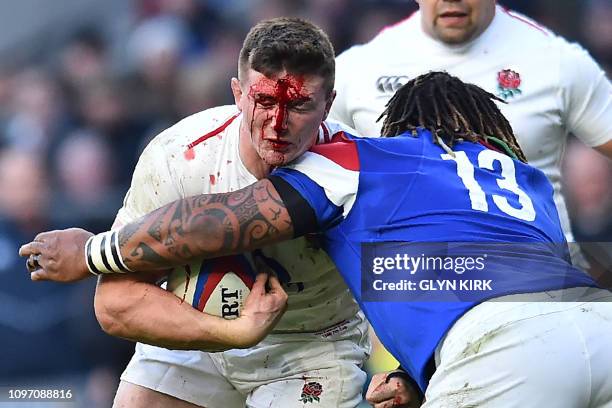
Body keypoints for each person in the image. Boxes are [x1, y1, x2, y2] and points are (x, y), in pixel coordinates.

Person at [22, 72, 612, 407]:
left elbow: (220, 219)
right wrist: (415, 378)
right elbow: (480, 283)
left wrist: (95, 251)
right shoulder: (530, 184)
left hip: (503, 353)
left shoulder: (375, 157)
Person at [22, 18, 371, 408]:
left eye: (300, 105)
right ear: (237, 94)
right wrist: (232, 333)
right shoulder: (179, 157)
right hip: (199, 336)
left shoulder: (358, 168)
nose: (277, 124)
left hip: (314, 347)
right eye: (265, 101)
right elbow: (114, 306)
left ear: (328, 103)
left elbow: (403, 277)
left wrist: (407, 371)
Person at [330, 0, 612, 266]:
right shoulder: (357, 70)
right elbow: (302, 174)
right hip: (408, 291)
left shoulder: (556, 60)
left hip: (536, 289)